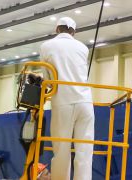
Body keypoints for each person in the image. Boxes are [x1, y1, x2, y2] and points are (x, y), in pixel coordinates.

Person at [40, 17, 93, 180]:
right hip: (85, 103)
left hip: (63, 102)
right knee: (85, 151)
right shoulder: (83, 48)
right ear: (73, 31)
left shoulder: (46, 46)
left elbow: (48, 80)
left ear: (57, 29)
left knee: (61, 149)